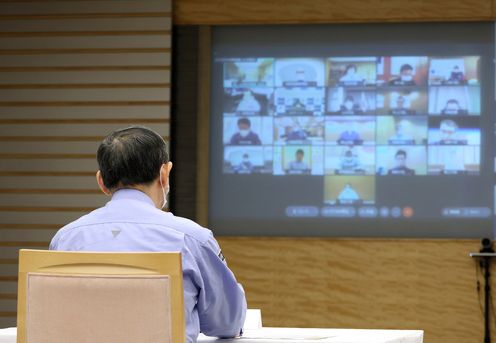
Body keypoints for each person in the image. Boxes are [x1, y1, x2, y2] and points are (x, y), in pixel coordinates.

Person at [49, 126, 247, 343]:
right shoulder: (191, 238)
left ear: (102, 182)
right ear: (164, 174)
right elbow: (228, 322)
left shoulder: (66, 238)